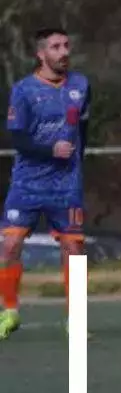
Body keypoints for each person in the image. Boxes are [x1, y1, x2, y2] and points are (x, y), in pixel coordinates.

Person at [1, 28, 92, 340]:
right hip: (27, 183)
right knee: (9, 245)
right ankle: (9, 312)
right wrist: (50, 150)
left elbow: (83, 129)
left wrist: (78, 162)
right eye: (55, 47)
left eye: (66, 45)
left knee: (74, 248)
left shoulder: (81, 85)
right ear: (41, 54)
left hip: (66, 185)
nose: (64, 52)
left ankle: (75, 318)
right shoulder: (24, 90)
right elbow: (18, 138)